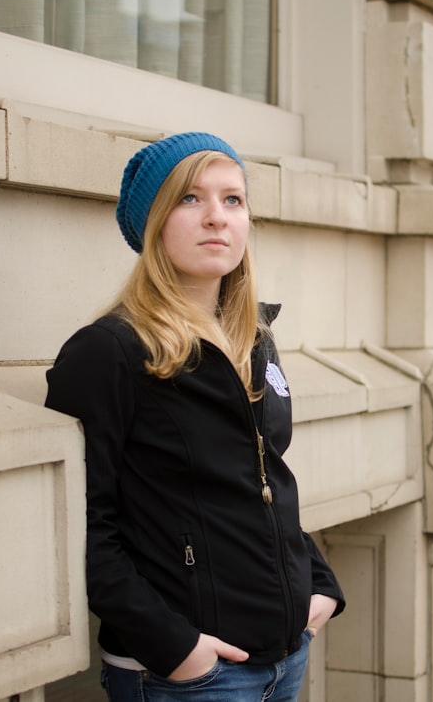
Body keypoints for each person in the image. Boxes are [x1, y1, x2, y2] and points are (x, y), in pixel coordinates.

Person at [44, 132, 345, 701]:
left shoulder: (253, 340)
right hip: (188, 675)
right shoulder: (110, 351)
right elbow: (86, 525)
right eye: (190, 199)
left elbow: (265, 480)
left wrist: (320, 585)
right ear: (154, 221)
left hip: (285, 656)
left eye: (233, 200)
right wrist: (178, 650)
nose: (216, 217)